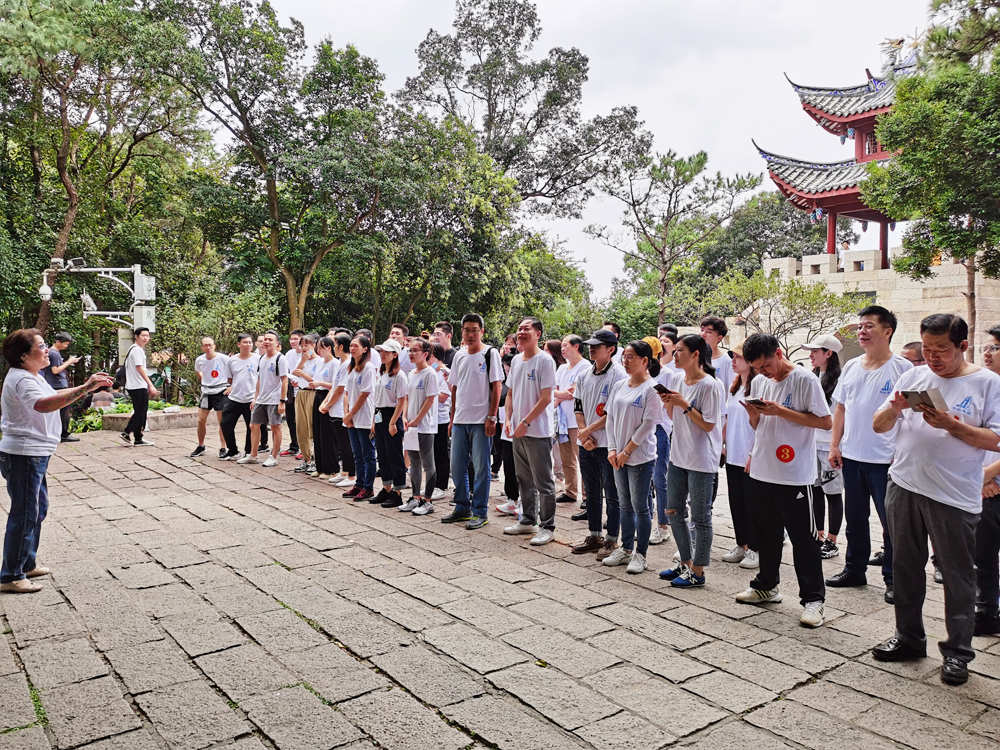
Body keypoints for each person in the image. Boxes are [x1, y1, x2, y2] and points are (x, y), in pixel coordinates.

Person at [871, 314, 1000, 686]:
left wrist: (952, 425)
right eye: (927, 349)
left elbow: (996, 440)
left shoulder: (987, 383)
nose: (933, 357)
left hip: (953, 494)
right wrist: (894, 409)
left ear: (962, 345)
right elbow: (878, 425)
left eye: (941, 349)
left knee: (958, 577)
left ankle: (958, 652)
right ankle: (908, 637)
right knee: (905, 567)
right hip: (904, 484)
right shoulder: (913, 376)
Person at [1, 330, 113, 592]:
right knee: (25, 512)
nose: (47, 350)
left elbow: (55, 395)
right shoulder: (22, 379)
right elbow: (43, 405)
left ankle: (26, 563)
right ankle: (11, 576)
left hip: (35, 452)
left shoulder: (33, 376)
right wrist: (84, 388)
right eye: (41, 346)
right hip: (24, 453)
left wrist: (87, 387)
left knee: (37, 509)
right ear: (24, 355)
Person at [736, 332, 831, 629]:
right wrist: (754, 415)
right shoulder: (760, 381)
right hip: (763, 468)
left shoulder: (805, 380)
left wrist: (781, 411)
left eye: (765, 365)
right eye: (757, 368)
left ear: (778, 354)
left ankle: (814, 599)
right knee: (766, 533)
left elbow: (825, 421)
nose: (763, 372)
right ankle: (766, 585)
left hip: (795, 474)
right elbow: (760, 425)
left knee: (804, 538)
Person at [826, 306, 911, 603]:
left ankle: (894, 578)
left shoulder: (903, 369)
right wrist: (835, 445)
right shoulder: (851, 366)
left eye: (869, 326)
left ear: (888, 331)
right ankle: (854, 569)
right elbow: (840, 408)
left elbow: (911, 417)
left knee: (891, 522)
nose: (862, 331)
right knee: (855, 518)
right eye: (860, 326)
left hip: (886, 460)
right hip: (852, 456)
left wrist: (901, 452)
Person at [658, 335, 723, 588]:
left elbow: (708, 424)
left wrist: (684, 404)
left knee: (700, 516)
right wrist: (669, 402)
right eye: (674, 350)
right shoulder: (677, 379)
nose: (675, 355)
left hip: (701, 458)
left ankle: (698, 570)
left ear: (696, 354)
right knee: (673, 510)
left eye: (680, 350)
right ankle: (684, 562)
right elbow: (672, 417)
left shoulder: (710, 385)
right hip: (679, 455)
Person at [602, 340, 662, 574]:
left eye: (631, 357)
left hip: (640, 456)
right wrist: (612, 448)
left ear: (645, 360)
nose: (625, 361)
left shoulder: (651, 388)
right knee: (624, 504)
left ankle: (641, 553)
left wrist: (627, 451)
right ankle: (626, 548)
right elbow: (610, 418)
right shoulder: (619, 385)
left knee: (640, 507)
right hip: (617, 455)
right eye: (624, 356)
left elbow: (648, 424)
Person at [442, 313, 502, 529]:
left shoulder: (490, 353)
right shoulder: (459, 355)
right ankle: (462, 507)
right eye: (466, 330)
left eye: (474, 330)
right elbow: (455, 388)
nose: (470, 334)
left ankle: (480, 511)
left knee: (481, 468)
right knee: (457, 466)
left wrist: (492, 417)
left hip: (481, 421)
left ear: (481, 331)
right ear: (462, 332)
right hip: (460, 420)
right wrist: (452, 419)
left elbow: (497, 386)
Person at [571, 330, 626, 559]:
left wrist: (587, 431)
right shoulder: (584, 374)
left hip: (608, 443)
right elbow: (578, 406)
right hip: (587, 443)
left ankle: (612, 539)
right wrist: (584, 434)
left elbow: (612, 412)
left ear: (611, 349)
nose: (591, 349)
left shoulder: (618, 375)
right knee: (591, 492)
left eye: (597, 346)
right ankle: (594, 535)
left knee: (612, 493)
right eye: (590, 345)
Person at [503, 317, 557, 545]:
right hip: (517, 430)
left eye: (526, 328)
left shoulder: (545, 361)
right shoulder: (516, 360)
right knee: (523, 478)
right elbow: (510, 393)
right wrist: (508, 419)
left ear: (538, 334)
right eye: (519, 328)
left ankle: (548, 526)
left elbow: (546, 398)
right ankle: (527, 520)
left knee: (543, 481)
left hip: (537, 431)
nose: (521, 332)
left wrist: (525, 422)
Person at [803, 334, 844, 559]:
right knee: (816, 490)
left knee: (833, 492)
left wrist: (836, 445)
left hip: (829, 445)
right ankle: (818, 535)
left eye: (815, 351)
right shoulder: (813, 376)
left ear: (829, 353)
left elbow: (840, 414)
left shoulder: (840, 380)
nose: (811, 355)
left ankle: (832, 540)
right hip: (812, 442)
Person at [721, 343, 759, 569]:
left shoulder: (758, 386)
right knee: (736, 501)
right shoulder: (734, 387)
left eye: (738, 357)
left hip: (750, 454)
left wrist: (753, 453)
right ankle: (741, 544)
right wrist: (722, 443)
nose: (733, 361)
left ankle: (756, 548)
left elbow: (762, 424)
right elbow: (728, 418)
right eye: (732, 357)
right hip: (733, 453)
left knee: (753, 503)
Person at [977, 326, 1000, 637]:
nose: (987, 352)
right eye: (986, 347)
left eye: (994, 347)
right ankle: (986, 613)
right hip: (984, 487)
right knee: (982, 554)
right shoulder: (983, 388)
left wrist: (989, 473)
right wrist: (982, 477)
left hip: (989, 480)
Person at [400, 338, 441, 515]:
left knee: (428, 463)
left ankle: (428, 501)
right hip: (411, 426)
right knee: (414, 463)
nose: (411, 353)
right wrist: (404, 416)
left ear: (425, 354)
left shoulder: (430, 373)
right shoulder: (411, 373)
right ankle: (415, 497)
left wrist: (417, 419)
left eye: (415, 350)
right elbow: (407, 397)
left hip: (425, 426)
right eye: (410, 350)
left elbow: (430, 399)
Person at [238, 330, 288, 467]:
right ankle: (253, 455)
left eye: (270, 340)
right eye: (265, 339)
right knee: (253, 425)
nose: (267, 342)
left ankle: (274, 456)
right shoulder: (261, 358)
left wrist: (282, 401)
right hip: (261, 399)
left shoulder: (280, 358)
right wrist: (255, 398)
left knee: (275, 427)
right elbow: (259, 379)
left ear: (277, 343)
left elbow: (285, 380)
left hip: (274, 399)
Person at [371, 340, 408, 508]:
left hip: (391, 415)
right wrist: (374, 420)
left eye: (387, 352)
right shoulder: (382, 373)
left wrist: (393, 422)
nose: (382, 354)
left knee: (394, 455)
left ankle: (397, 491)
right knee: (382, 454)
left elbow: (401, 400)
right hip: (379, 415)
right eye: (381, 351)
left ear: (395, 354)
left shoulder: (399, 376)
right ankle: (386, 488)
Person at [552, 335, 587, 505]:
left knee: (583, 459)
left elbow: (573, 392)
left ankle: (587, 495)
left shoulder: (585, 366)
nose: (562, 348)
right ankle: (570, 491)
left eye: (565, 345)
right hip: (562, 420)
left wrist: (559, 395)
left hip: (577, 420)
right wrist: (561, 395)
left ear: (576, 346)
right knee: (566, 459)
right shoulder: (562, 368)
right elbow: (555, 390)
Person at [318, 333, 356, 487]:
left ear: (341, 346)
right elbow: (334, 387)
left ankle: (352, 475)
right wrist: (326, 402)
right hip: (335, 408)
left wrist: (328, 405)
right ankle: (345, 472)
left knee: (346, 444)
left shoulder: (348, 364)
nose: (333, 348)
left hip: (341, 410)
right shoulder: (341, 363)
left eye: (334, 345)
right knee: (342, 443)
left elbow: (340, 390)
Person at [342, 336, 378, 501]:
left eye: (355, 346)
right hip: (352, 416)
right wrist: (346, 414)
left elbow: (365, 393)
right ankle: (359, 484)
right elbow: (347, 392)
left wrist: (351, 413)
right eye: (351, 345)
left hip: (364, 415)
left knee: (367, 454)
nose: (352, 348)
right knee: (357, 453)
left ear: (365, 349)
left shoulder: (368, 367)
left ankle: (368, 487)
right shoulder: (351, 367)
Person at [220, 333, 259, 461]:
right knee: (225, 424)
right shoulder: (232, 360)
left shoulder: (258, 359)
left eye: (250, 342)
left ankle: (249, 452)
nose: (248, 345)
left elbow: (261, 378)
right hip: (235, 398)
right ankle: (233, 451)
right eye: (245, 342)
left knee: (251, 427)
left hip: (251, 399)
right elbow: (230, 379)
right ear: (238, 344)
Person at [191, 336, 231, 458]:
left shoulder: (224, 358)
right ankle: (201, 445)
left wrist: (231, 386)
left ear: (214, 346)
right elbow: (198, 371)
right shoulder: (200, 360)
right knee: (201, 420)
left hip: (221, 390)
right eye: (205, 345)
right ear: (202, 347)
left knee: (222, 421)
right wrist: (204, 380)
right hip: (207, 391)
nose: (208, 347)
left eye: (210, 345)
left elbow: (234, 372)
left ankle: (223, 447)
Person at [120, 327, 158, 447]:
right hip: (137, 385)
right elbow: (139, 368)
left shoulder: (135, 349)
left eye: (147, 335)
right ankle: (132, 435)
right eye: (143, 335)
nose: (146, 338)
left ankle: (134, 436)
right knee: (141, 412)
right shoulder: (136, 350)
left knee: (140, 411)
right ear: (136, 337)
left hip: (135, 385)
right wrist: (150, 384)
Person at [306, 337, 338, 479]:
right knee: (317, 432)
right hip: (317, 394)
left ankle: (330, 469)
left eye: (321, 348)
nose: (318, 350)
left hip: (327, 396)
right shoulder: (320, 362)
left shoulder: (335, 363)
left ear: (329, 348)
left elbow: (336, 385)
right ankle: (320, 466)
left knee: (327, 434)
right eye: (317, 347)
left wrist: (320, 383)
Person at [43, 332, 81, 443]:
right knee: (63, 411)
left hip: (56, 384)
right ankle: (64, 434)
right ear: (58, 342)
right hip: (57, 385)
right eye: (65, 344)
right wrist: (70, 361)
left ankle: (60, 433)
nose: (66, 346)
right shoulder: (54, 354)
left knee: (61, 411)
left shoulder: (54, 353)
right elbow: (55, 370)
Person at [290, 334, 319, 473]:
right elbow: (294, 375)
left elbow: (317, 381)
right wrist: (302, 362)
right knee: (301, 427)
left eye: (306, 345)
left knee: (312, 427)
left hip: (313, 394)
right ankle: (306, 459)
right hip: (301, 393)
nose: (304, 348)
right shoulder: (302, 360)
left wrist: (303, 375)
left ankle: (317, 460)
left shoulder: (320, 361)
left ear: (314, 345)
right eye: (302, 345)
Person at [429, 344, 451, 501]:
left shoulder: (445, 373)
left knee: (441, 453)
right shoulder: (430, 372)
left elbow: (444, 396)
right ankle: (433, 483)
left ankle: (441, 485)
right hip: (430, 419)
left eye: (429, 356)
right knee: (431, 453)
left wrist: (428, 394)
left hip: (441, 419)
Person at [281, 330, 304, 458]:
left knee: (302, 422)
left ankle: (304, 448)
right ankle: (294, 446)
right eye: (291, 339)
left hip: (302, 391)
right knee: (290, 420)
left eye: (296, 339)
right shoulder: (289, 354)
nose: (292, 341)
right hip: (290, 392)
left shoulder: (308, 354)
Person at [700, 316, 734, 391]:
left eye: (709, 332)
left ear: (719, 338)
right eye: (702, 330)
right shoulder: (694, 358)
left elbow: (731, 389)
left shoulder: (727, 361)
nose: (703, 334)